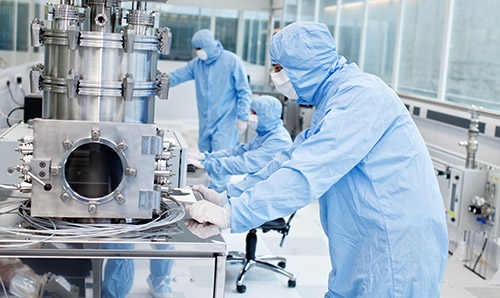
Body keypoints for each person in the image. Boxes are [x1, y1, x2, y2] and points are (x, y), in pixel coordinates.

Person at [185, 22, 449, 297]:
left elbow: (307, 171)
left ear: (306, 65)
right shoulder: (335, 97)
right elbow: (291, 159)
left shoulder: (360, 97)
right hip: (365, 242)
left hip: (394, 248)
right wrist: (229, 197)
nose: (277, 77)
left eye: (279, 68)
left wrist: (234, 214)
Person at [169, 29, 252, 153]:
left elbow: (244, 91)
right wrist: (158, 81)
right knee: (205, 158)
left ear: (208, 46)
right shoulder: (197, 64)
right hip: (205, 123)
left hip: (225, 122)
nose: (198, 52)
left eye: (200, 49)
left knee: (221, 159)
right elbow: (177, 76)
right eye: (196, 49)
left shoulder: (232, 61)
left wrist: (243, 117)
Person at [193, 95, 292, 191]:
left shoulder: (280, 140)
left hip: (272, 194)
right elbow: (238, 151)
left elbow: (245, 162)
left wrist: (208, 165)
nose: (249, 116)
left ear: (266, 115)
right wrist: (204, 157)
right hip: (259, 187)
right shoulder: (265, 134)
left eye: (253, 113)